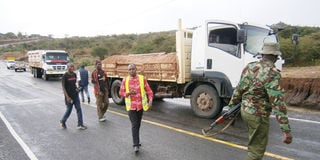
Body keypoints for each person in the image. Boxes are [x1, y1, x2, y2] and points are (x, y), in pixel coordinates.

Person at [228, 42, 292, 160]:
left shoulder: (250, 67)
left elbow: (239, 89)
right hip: (258, 115)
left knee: (253, 142)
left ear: (262, 54)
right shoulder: (273, 73)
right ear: (276, 57)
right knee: (256, 150)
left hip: (245, 111)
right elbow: (277, 102)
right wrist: (286, 130)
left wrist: (231, 107)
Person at [119, 64, 154, 153]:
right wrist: (128, 93)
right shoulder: (125, 80)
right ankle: (135, 144)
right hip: (131, 107)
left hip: (140, 107)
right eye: (129, 69)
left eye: (133, 69)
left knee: (138, 124)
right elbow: (121, 93)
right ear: (128, 71)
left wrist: (150, 101)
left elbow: (149, 91)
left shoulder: (142, 79)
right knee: (134, 124)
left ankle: (137, 141)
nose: (131, 71)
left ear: (136, 69)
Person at [60, 63, 87, 130]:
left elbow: (75, 84)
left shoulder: (74, 74)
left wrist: (78, 89)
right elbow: (63, 88)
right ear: (68, 67)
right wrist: (67, 97)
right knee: (69, 110)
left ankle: (80, 124)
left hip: (75, 95)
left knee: (79, 109)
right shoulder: (65, 76)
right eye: (70, 67)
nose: (72, 68)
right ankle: (63, 121)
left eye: (73, 67)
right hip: (69, 97)